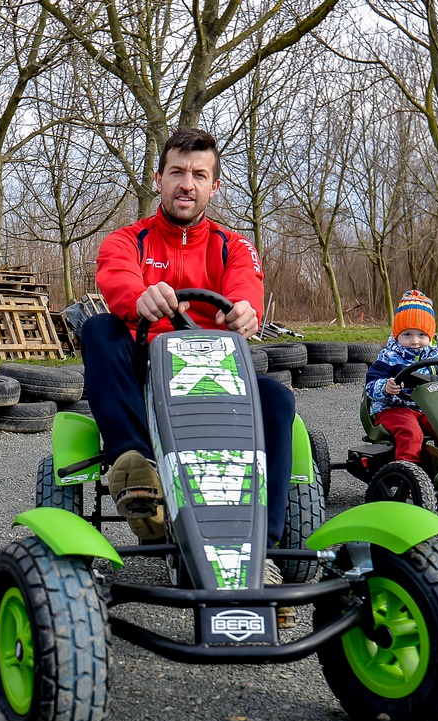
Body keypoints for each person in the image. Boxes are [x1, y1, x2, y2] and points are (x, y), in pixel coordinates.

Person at [83, 126, 296, 607]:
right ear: (158, 178)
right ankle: (136, 468)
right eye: (177, 172)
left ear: (214, 186)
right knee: (100, 330)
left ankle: (263, 552)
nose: (186, 184)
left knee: (277, 399)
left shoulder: (232, 245)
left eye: (199, 175)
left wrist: (245, 310)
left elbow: (246, 285)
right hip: (145, 371)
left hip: (214, 373)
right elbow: (116, 277)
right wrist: (139, 298)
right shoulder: (127, 240)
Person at [364, 290, 438, 462]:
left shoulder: (437, 356)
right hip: (394, 409)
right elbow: (371, 385)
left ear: (430, 335)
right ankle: (408, 470)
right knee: (411, 433)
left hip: (426, 408)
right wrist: (386, 387)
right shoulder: (388, 357)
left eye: (421, 335)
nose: (415, 341)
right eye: (407, 334)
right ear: (397, 335)